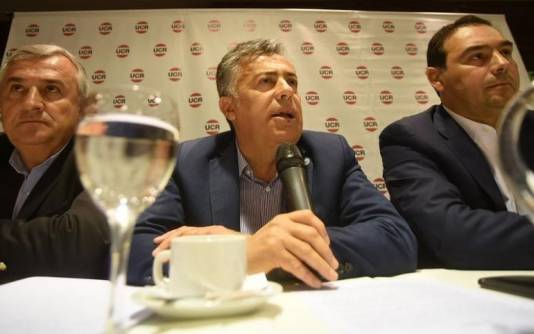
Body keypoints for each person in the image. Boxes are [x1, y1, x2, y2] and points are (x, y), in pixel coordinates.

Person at [128, 39, 417, 287]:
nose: (286, 91)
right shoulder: (186, 162)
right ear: (230, 108)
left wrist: (281, 247)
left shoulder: (331, 154)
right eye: (266, 81)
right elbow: (136, 252)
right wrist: (237, 253)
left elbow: (396, 238)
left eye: (292, 82)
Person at [380, 15, 534, 269]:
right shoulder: (411, 138)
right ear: (436, 79)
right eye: (478, 57)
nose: (502, 64)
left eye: (506, 52)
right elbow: (453, 235)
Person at [0, 44, 109, 283]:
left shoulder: (102, 156)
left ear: (82, 110)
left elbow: (76, 245)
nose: (30, 103)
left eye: (51, 89)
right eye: (17, 88)